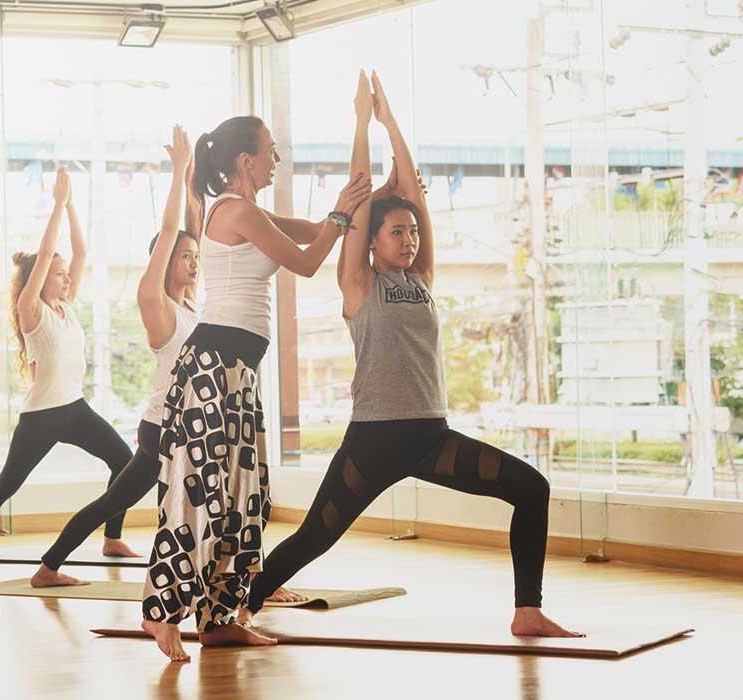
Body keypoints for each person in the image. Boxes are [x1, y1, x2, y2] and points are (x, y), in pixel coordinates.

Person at [240, 72, 580, 639]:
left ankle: (527, 611)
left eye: (412, 232)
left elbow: (416, 199)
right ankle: (234, 610)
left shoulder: (421, 278)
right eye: (396, 232)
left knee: (532, 488)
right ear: (372, 240)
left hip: (431, 438)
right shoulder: (358, 282)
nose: (409, 238)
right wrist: (359, 121)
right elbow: (359, 191)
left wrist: (390, 120)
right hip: (372, 440)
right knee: (312, 539)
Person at [139, 76, 375, 662]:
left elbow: (316, 232)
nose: (277, 160)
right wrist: (341, 214)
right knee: (200, 496)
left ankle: (219, 617)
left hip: (238, 372)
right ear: (246, 160)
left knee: (246, 497)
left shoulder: (252, 213)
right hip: (212, 370)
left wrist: (358, 193)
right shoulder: (236, 211)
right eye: (272, 151)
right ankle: (161, 610)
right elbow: (308, 259)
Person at [0, 166, 136, 558]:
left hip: (75, 409)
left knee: (124, 460)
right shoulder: (32, 310)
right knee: (8, 483)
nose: (65, 279)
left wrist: (73, 204)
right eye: (57, 274)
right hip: (41, 416)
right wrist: (57, 206)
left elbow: (80, 253)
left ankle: (112, 538)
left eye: (65, 275)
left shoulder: (65, 306)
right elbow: (46, 254)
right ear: (39, 279)